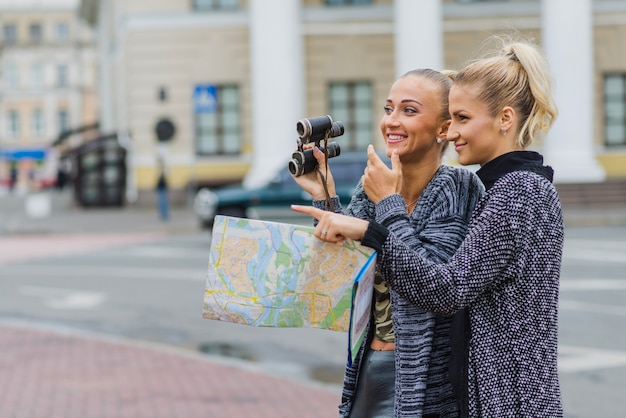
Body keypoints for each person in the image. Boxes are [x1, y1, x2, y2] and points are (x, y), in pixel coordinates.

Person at [292, 38, 563, 417]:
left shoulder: (514, 190)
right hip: (450, 386)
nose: (453, 133)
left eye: (462, 120)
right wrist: (329, 202)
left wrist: (382, 215)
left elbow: (442, 289)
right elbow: (350, 277)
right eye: (389, 108)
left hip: (504, 399)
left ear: (505, 119)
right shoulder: (503, 187)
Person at [292, 69, 484, 417]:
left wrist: (388, 204)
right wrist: (326, 199)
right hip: (368, 370)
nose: (391, 121)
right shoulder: (371, 187)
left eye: (409, 111)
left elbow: (432, 287)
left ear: (444, 128)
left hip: (425, 384)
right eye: (388, 108)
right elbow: (340, 285)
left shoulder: (457, 187)